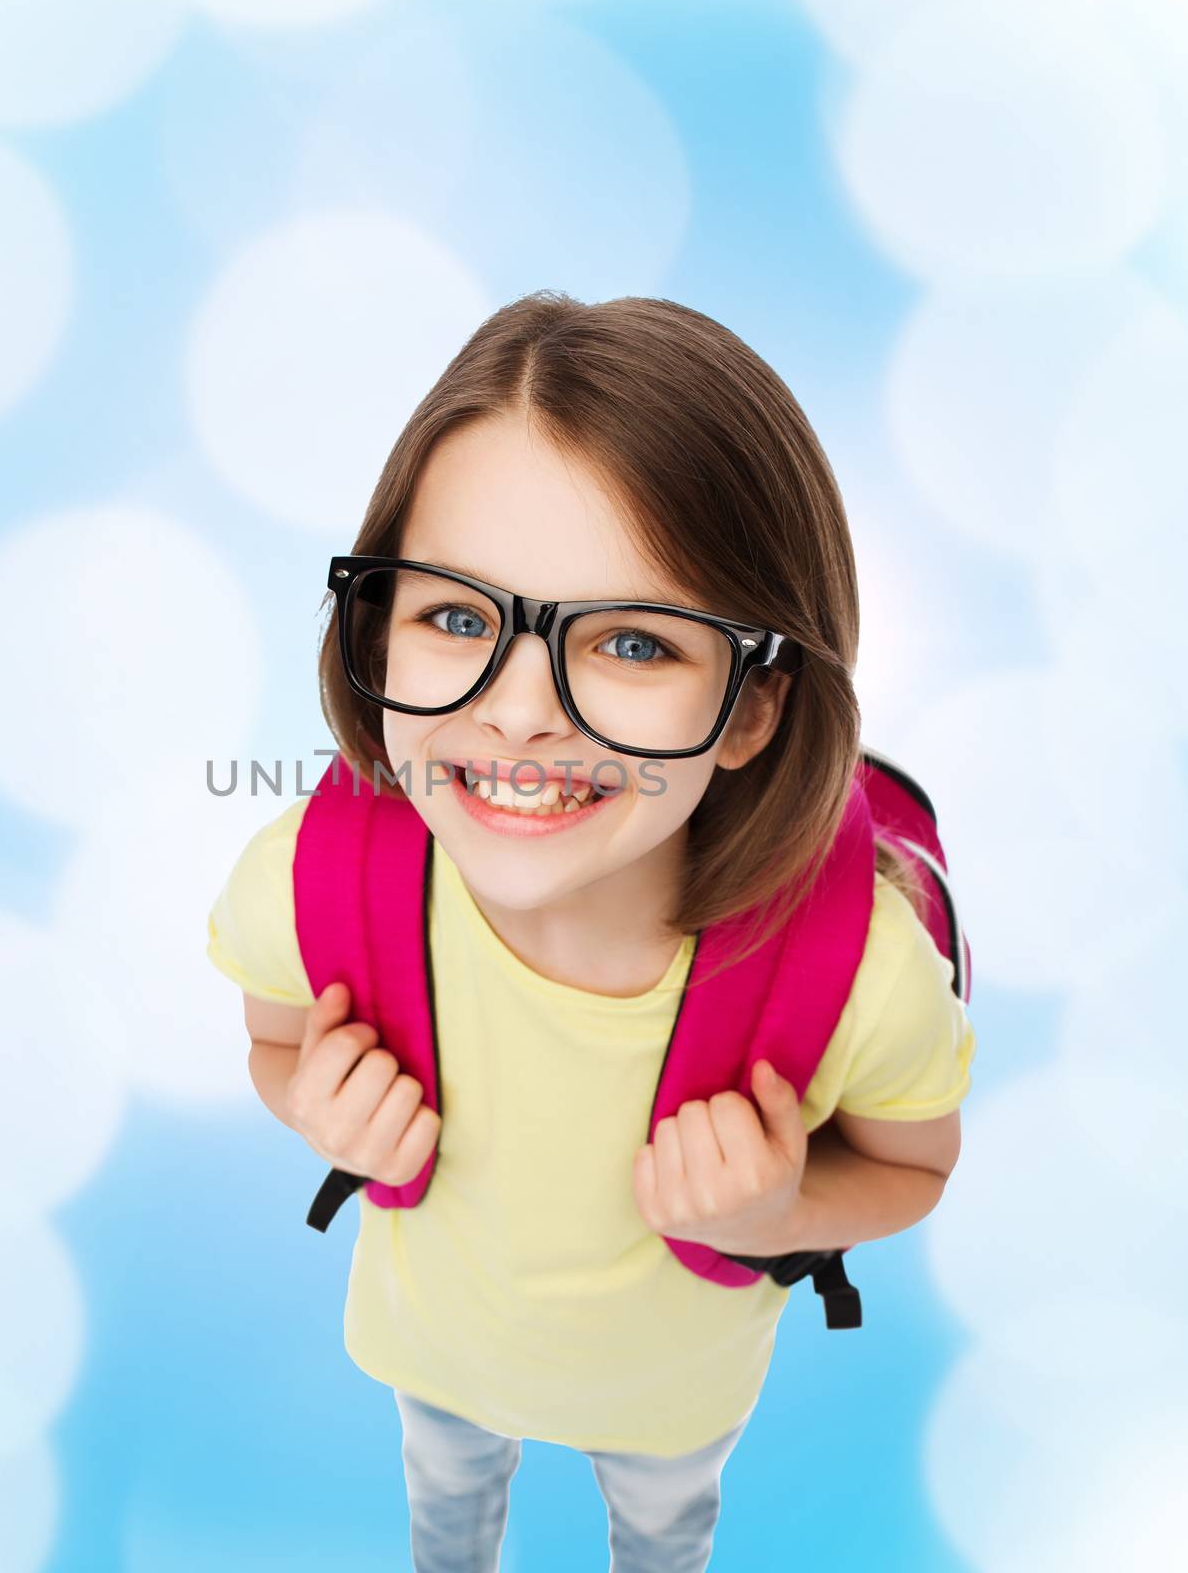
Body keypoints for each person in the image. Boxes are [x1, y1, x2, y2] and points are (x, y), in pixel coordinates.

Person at [206, 292, 975, 1572]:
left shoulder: (863, 975)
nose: (514, 715)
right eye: (456, 616)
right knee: (446, 1497)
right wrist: (313, 1104)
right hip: (434, 1351)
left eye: (627, 641)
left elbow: (915, 1165)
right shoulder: (311, 873)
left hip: (670, 1398)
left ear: (750, 709)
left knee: (663, 1528)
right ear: (375, 621)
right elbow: (272, 1037)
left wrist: (783, 1204)